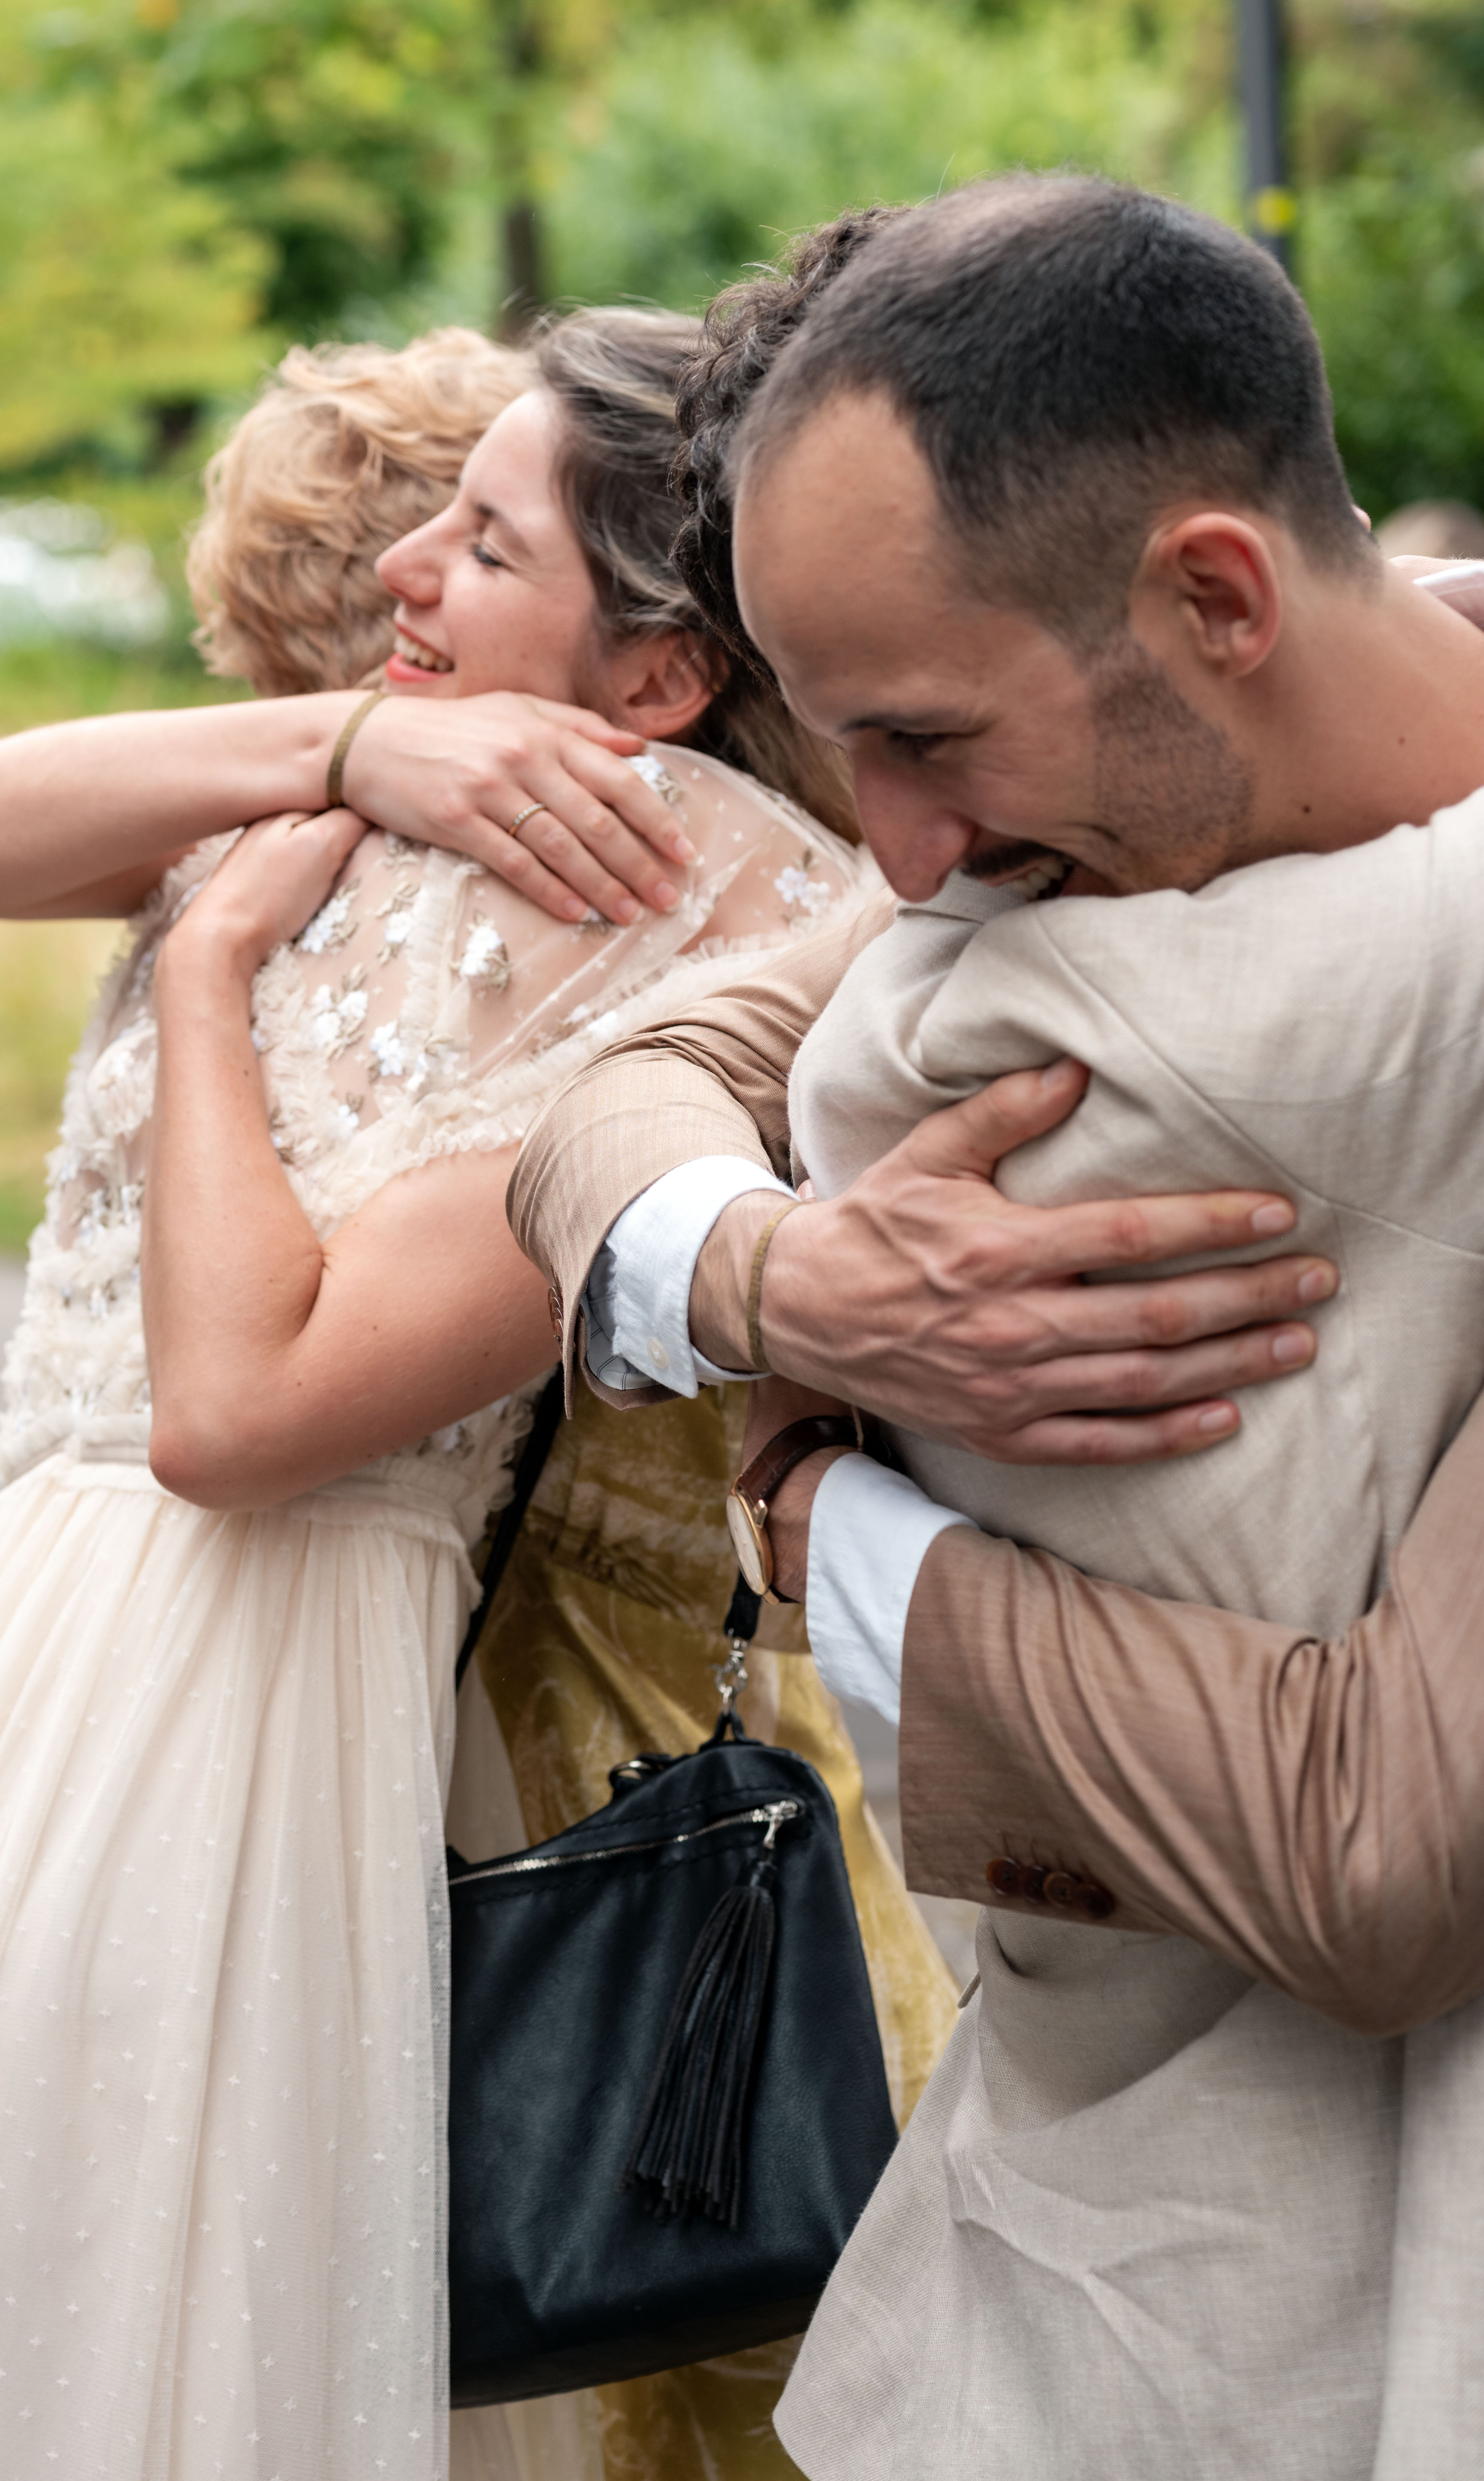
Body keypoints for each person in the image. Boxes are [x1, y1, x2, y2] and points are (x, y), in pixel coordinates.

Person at [0, 311, 962, 2481]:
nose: (402, 586)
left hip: (79, 1744)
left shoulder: (662, 870)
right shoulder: (349, 791)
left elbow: (240, 1409)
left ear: (661, 673)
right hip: (177, 1748)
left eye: (482, 544)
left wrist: (199, 965)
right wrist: (359, 748)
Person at [509, 176, 1484, 2480]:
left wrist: (828, 1516)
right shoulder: (1052, 877)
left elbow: (1379, 1847)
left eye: (929, 742)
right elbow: (623, 1096)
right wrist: (773, 1277)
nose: (902, 857)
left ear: (1217, 595)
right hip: (1059, 2296)